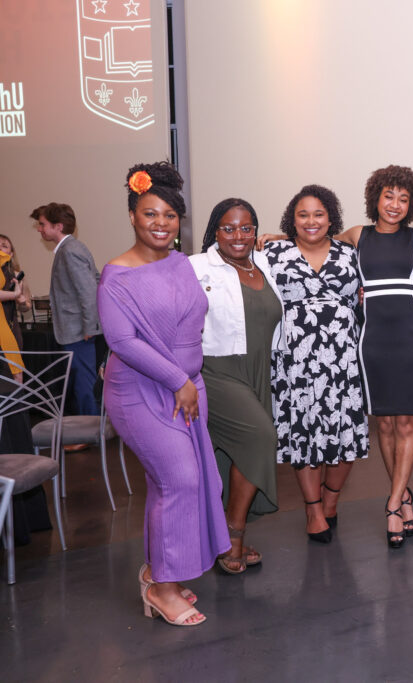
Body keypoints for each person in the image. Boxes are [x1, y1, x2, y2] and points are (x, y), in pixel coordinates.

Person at [97, 161, 230, 626]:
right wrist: (177, 380)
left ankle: (158, 569)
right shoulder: (116, 276)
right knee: (180, 480)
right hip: (142, 391)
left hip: (189, 388)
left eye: (170, 216)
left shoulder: (179, 263)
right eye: (150, 214)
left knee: (173, 483)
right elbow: (123, 342)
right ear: (133, 215)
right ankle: (161, 589)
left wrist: (189, 381)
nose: (160, 224)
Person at [263, 185, 369, 545]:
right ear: (291, 220)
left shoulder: (350, 252)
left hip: (343, 359)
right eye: (303, 214)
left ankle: (331, 500)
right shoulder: (272, 252)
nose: (311, 221)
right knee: (305, 435)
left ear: (331, 218)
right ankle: (312, 509)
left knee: (345, 435)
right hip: (296, 360)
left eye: (319, 214)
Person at [340, 166, 413, 549]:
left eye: (403, 198)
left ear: (412, 204)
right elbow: (313, 244)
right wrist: (274, 237)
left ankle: (393, 502)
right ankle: (405, 493)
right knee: (385, 425)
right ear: (375, 198)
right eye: (388, 196)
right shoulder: (356, 236)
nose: (395, 205)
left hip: (412, 337)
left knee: (407, 424)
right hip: (373, 338)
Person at [189, 198, 282, 573]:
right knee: (260, 437)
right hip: (216, 369)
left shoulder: (265, 262)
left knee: (231, 456)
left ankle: (219, 537)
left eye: (247, 228)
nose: (238, 236)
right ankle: (234, 532)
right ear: (215, 230)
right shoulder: (195, 267)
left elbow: (321, 235)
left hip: (259, 369)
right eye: (229, 228)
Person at [32, 203, 102, 415]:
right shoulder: (73, 248)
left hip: (79, 331)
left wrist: (90, 326)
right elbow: (97, 281)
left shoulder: (69, 251)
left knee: (84, 382)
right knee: (83, 379)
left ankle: (89, 433)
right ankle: (91, 430)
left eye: (43, 224)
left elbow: (88, 291)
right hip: (78, 329)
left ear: (58, 226)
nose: (39, 229)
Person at [0, 234, 31, 348]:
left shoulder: (17, 275)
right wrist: (13, 294)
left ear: (11, 253)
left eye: (4, 246)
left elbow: (26, 307)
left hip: (10, 326)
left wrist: (22, 302)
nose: (0, 248)